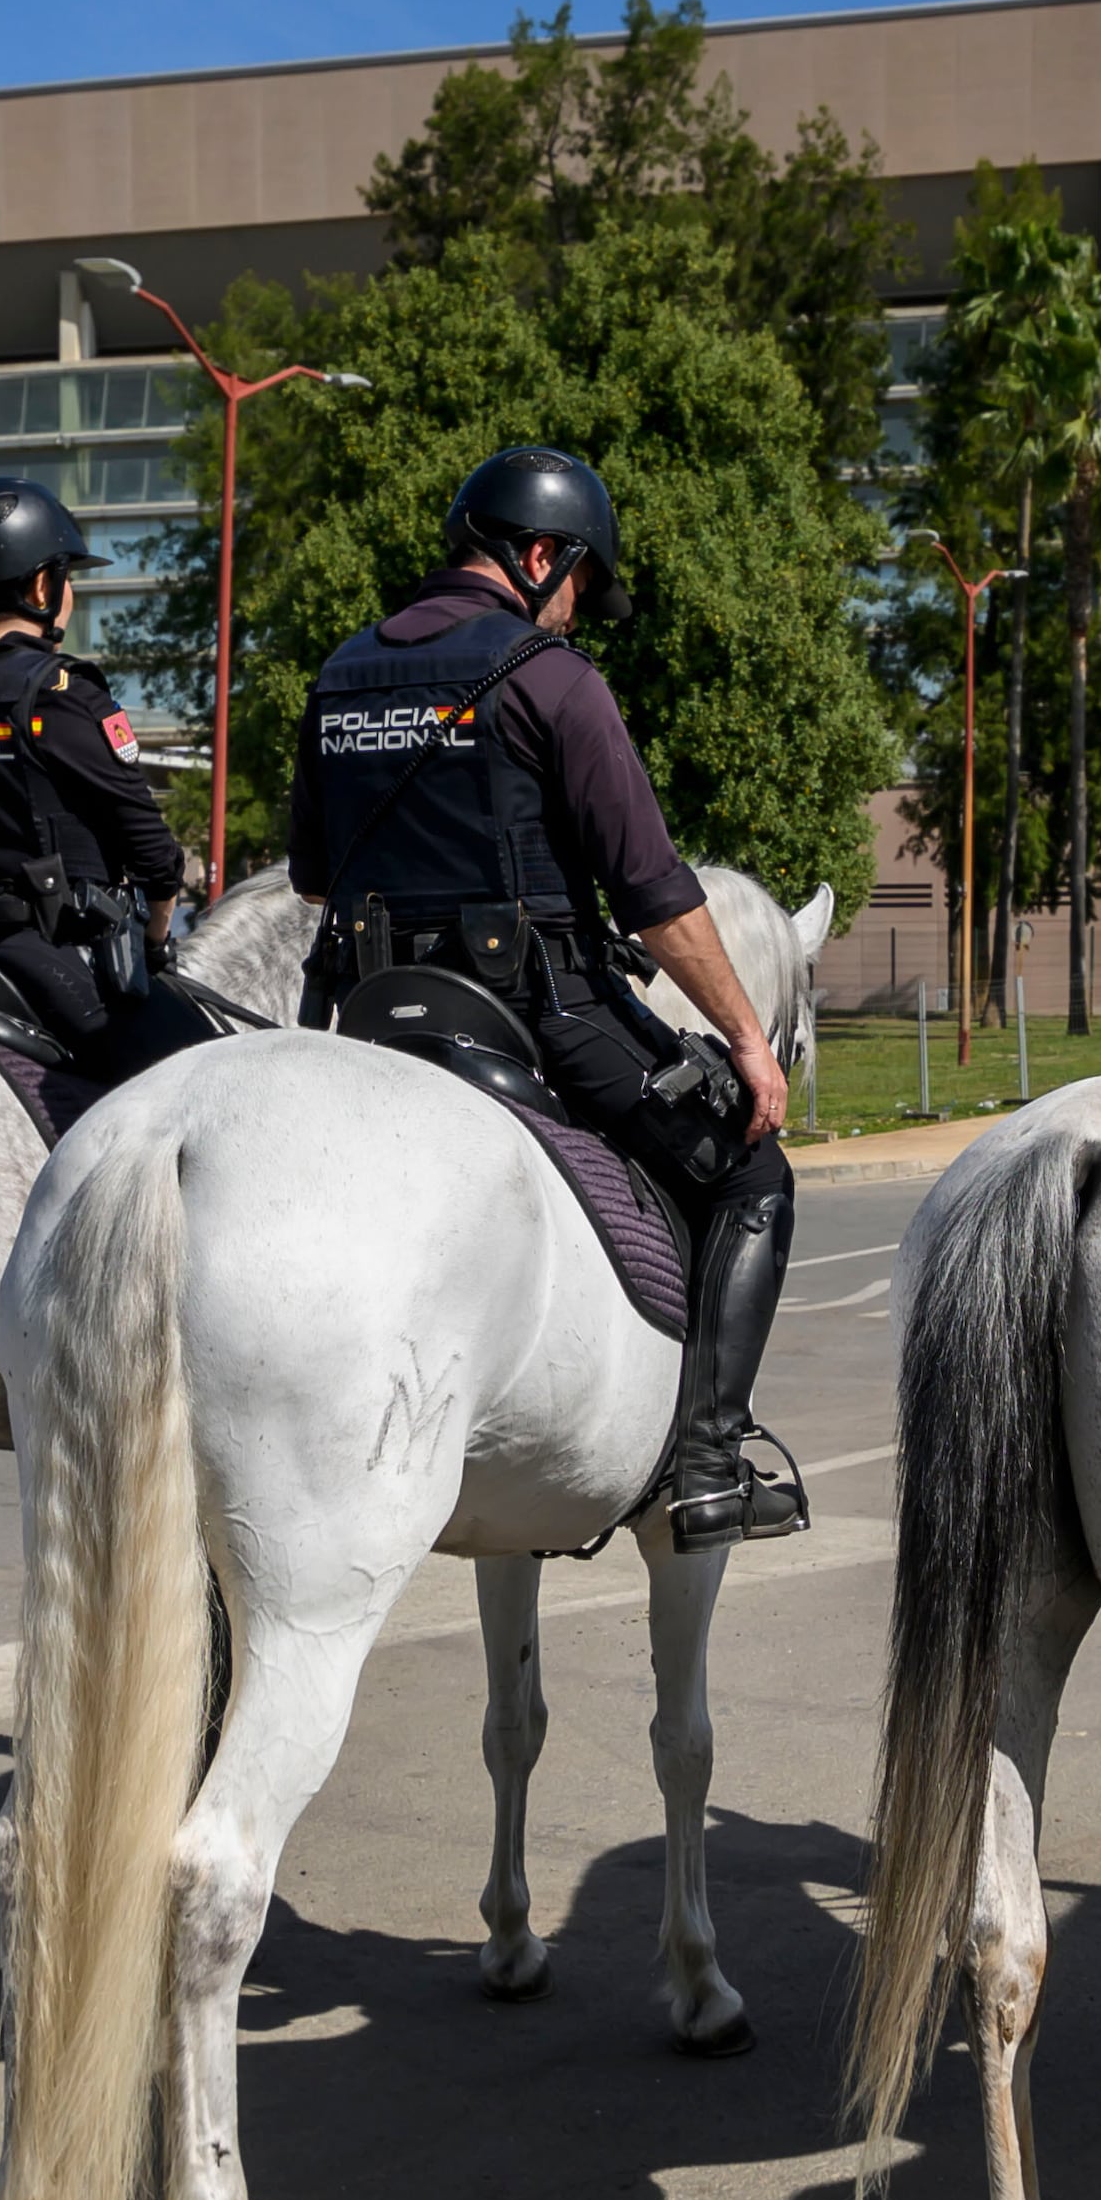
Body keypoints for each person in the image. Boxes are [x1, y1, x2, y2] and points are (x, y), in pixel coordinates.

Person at [288, 445, 807, 1548]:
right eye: (575, 588)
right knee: (752, 1174)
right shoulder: (550, 678)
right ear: (537, 556)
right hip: (535, 1014)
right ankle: (706, 1465)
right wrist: (749, 1041)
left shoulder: (338, 675)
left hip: (374, 1011)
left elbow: (311, 876)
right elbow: (657, 899)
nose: (573, 614)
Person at [0, 477, 190, 1081]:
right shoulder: (58, 694)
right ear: (40, 584)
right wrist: (156, 941)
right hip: (43, 959)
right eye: (67, 575)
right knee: (204, 1072)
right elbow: (153, 854)